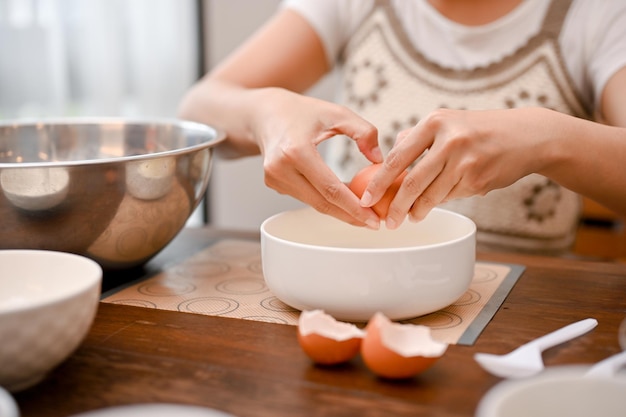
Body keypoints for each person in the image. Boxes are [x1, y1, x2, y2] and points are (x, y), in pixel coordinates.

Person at [178, 0, 626, 254]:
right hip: (357, 291)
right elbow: (198, 110)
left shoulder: (596, 15)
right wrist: (266, 113)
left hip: (524, 317)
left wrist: (549, 138)